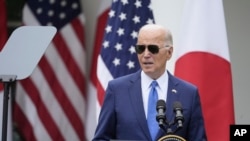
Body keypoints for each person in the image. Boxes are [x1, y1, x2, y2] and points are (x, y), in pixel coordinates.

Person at [92, 24, 207, 141]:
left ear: (169, 52)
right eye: (141, 48)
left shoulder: (188, 94)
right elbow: (101, 139)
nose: (146, 55)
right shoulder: (117, 90)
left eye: (153, 49)